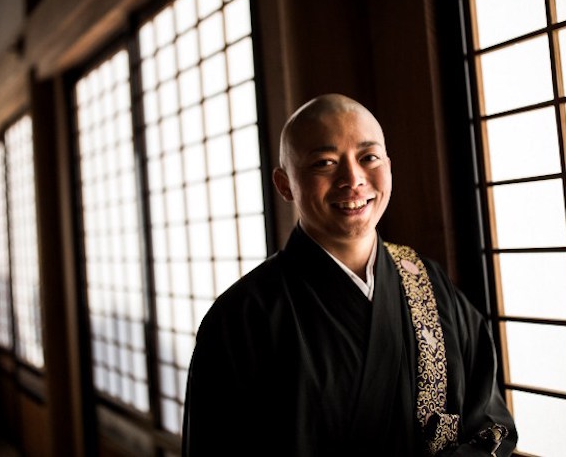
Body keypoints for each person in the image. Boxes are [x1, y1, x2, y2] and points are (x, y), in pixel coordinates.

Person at [182, 94, 517, 456]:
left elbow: (490, 424)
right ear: (284, 184)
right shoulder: (242, 317)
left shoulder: (429, 286)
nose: (353, 179)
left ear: (388, 166)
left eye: (368, 157)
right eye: (324, 163)